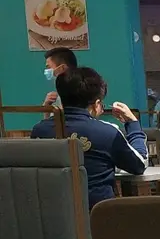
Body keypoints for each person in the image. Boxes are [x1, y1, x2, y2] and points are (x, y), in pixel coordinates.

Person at [31, 67, 148, 208]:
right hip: (98, 215)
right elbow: (139, 165)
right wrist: (132, 124)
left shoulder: (39, 131)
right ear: (96, 104)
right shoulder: (107, 132)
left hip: (51, 214)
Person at [41, 46, 78, 115]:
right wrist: (46, 108)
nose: (47, 71)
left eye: (49, 67)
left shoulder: (81, 93)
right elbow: (51, 121)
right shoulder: (55, 97)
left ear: (63, 68)